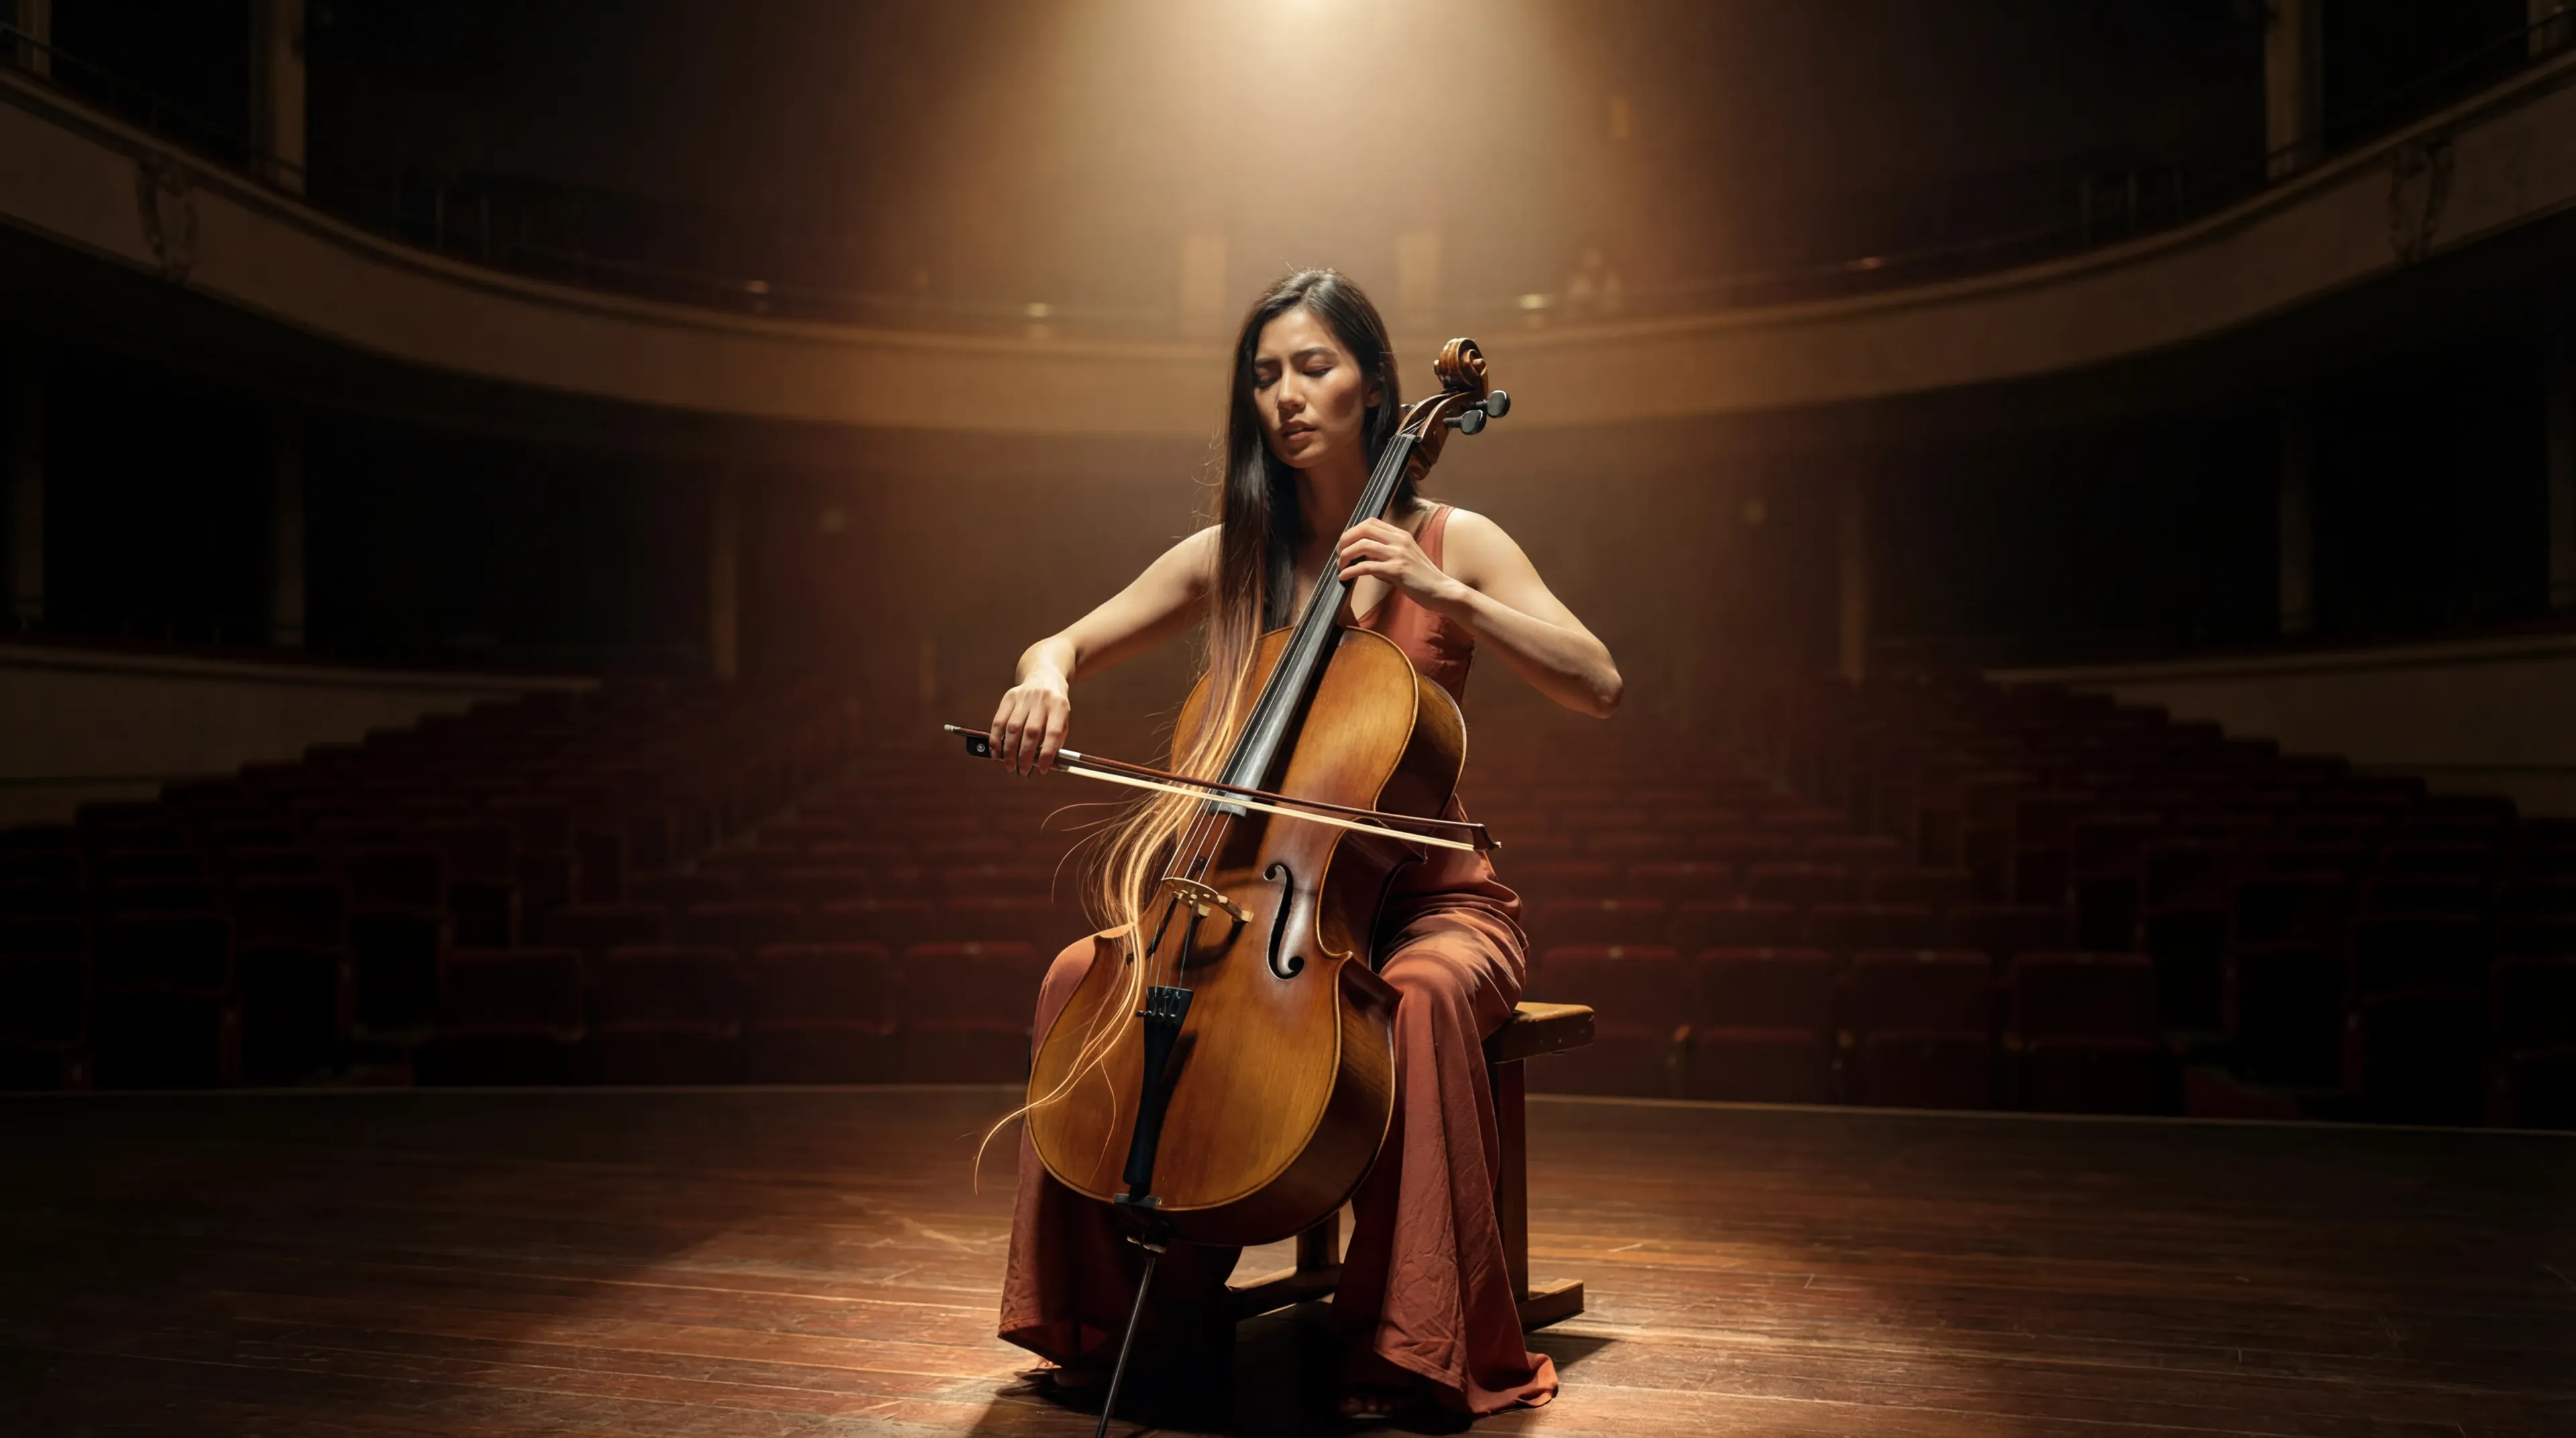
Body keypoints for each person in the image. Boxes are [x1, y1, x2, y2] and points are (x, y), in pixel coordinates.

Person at [986, 268, 1622, 1423]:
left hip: (1430, 908)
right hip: (1253, 907)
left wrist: (1445, 592)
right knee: (1081, 975)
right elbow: (1060, 642)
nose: (1286, 394)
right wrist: (1043, 675)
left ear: (1377, 388)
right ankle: (1118, 1310)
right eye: (1266, 373)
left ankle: (1406, 1340)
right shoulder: (1231, 553)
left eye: (1314, 366)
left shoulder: (1452, 537)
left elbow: (1599, 680)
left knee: (1420, 999)